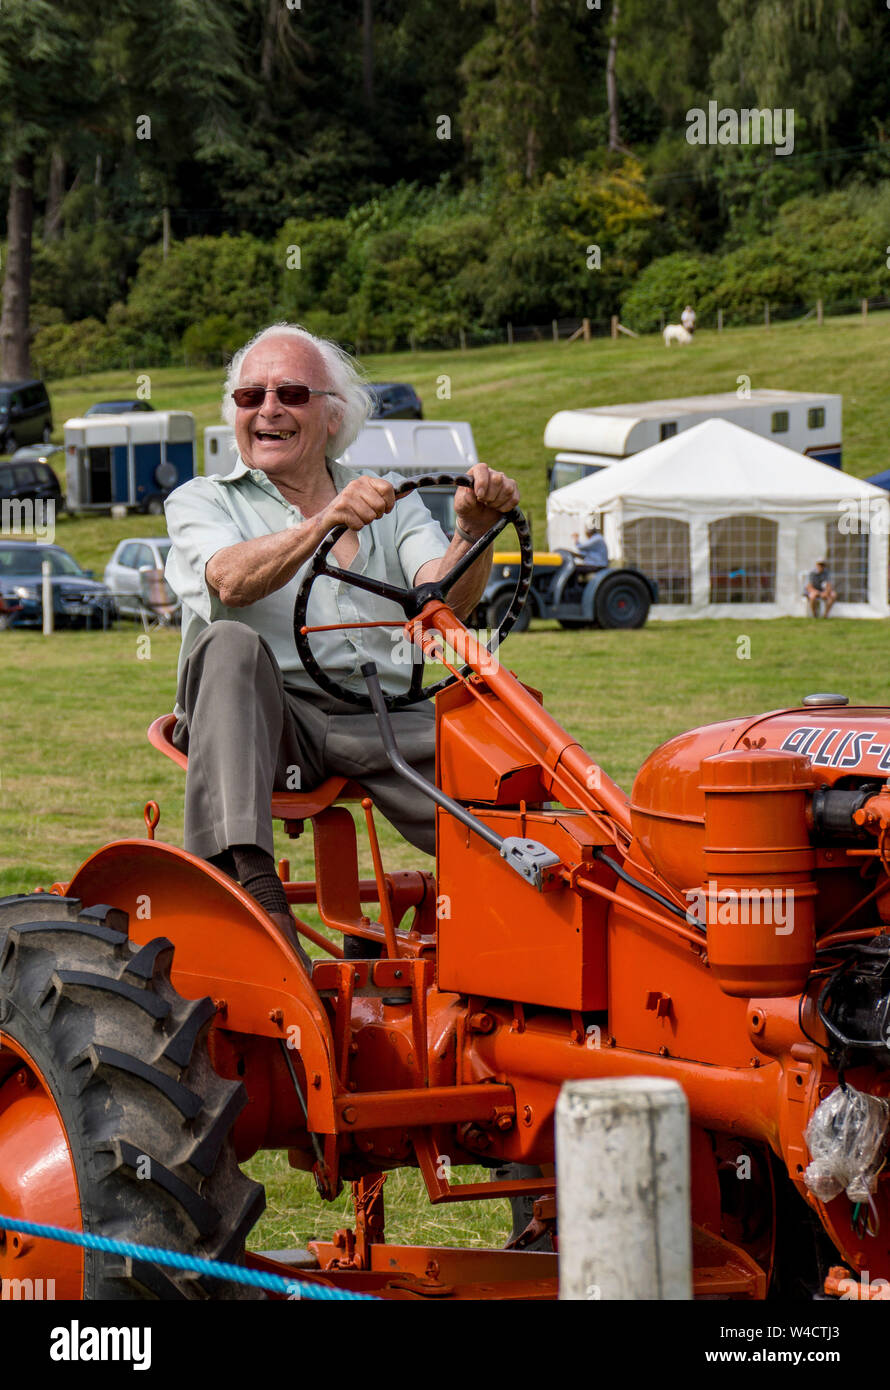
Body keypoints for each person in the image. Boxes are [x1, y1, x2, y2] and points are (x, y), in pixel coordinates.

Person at [164, 323, 519, 963]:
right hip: (269, 726)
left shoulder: (387, 497)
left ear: (333, 416)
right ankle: (249, 884)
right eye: (250, 397)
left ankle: (531, 923)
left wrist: (471, 534)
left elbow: (442, 605)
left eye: (291, 393)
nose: (268, 409)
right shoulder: (201, 500)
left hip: (382, 716)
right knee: (229, 644)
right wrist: (324, 520)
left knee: (512, 779)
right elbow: (231, 579)